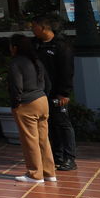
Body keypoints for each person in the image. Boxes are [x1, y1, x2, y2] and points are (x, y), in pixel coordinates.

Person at [31, 14, 77, 171]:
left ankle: (69, 158)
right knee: (50, 124)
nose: (32, 29)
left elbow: (67, 71)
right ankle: (56, 157)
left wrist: (64, 93)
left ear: (44, 27)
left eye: (34, 26)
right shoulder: (36, 44)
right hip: (42, 92)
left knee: (63, 123)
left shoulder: (61, 46)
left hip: (58, 93)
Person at [8, 34, 56, 183]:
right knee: (43, 139)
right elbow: (48, 83)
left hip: (27, 103)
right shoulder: (36, 61)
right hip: (42, 101)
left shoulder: (16, 62)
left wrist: (16, 103)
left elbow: (16, 86)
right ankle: (49, 173)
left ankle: (35, 173)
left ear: (15, 48)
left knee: (30, 139)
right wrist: (43, 96)